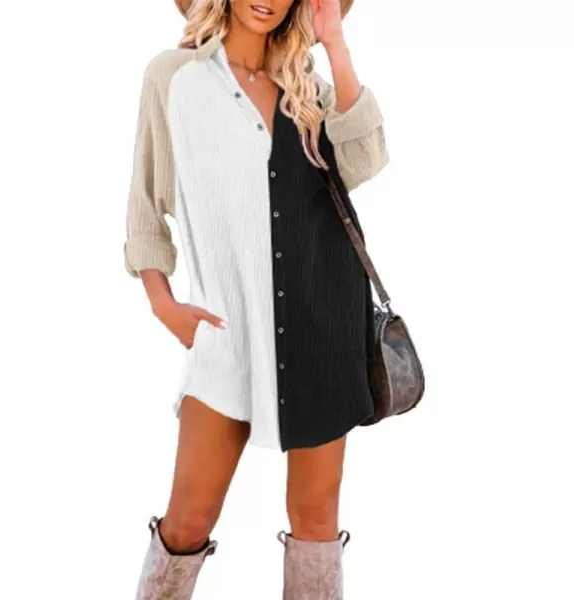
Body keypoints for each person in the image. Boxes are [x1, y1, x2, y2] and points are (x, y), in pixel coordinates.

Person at [123, 0, 389, 597]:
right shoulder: (175, 77)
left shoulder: (306, 89)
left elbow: (366, 159)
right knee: (187, 520)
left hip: (322, 324)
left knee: (316, 519)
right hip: (227, 334)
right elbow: (145, 205)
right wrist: (164, 305)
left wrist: (334, 41)